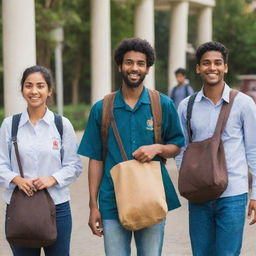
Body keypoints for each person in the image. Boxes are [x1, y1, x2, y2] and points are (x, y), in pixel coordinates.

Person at [78, 37, 184, 256]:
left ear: (147, 68)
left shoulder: (162, 104)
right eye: (129, 62)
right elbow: (96, 159)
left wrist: (157, 149)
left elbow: (177, 144)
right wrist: (92, 206)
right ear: (120, 65)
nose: (134, 68)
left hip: (151, 197)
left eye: (140, 63)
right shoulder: (102, 108)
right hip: (111, 200)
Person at [176, 41, 256, 255]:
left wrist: (255, 194)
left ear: (225, 67)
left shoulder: (244, 104)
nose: (212, 67)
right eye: (206, 63)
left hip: (233, 195)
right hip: (199, 196)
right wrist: (189, 180)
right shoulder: (186, 106)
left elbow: (253, 151)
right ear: (198, 68)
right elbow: (182, 148)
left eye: (218, 63)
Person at [0, 65, 83, 255]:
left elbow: (74, 165)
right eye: (28, 86)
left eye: (40, 86)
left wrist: (51, 179)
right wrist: (17, 180)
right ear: (22, 90)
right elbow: (1, 163)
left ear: (49, 91)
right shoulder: (9, 125)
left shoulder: (62, 125)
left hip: (58, 207)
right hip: (20, 208)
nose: (34, 91)